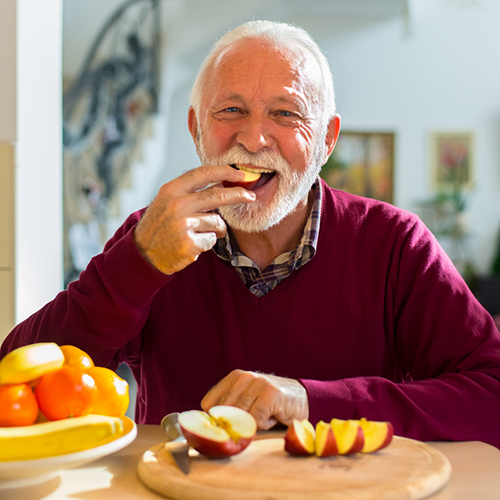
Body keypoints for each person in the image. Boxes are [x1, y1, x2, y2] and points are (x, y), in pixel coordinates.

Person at [2, 20, 500, 447]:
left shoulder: (393, 244)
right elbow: (16, 386)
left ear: (327, 139)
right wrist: (137, 265)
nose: (253, 138)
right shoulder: (151, 236)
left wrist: (310, 402)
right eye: (231, 110)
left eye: (285, 114)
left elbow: (491, 394)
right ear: (197, 130)